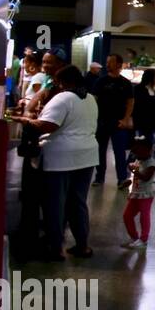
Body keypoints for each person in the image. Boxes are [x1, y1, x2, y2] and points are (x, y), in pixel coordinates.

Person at [15, 65, 99, 260]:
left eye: (58, 81)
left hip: (62, 157)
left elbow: (48, 125)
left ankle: (55, 248)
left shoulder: (63, 98)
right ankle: (83, 245)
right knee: (78, 202)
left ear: (64, 82)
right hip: (87, 155)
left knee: (55, 202)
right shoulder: (90, 98)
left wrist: (26, 121)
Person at [92, 54, 134, 187]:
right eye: (107, 62)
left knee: (120, 151)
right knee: (100, 151)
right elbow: (94, 100)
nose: (107, 64)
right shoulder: (100, 81)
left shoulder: (126, 83)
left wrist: (126, 119)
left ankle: (122, 179)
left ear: (119, 65)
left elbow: (130, 102)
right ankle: (99, 178)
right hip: (102, 122)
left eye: (110, 62)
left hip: (119, 123)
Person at [121, 136, 155, 250]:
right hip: (136, 193)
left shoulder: (151, 164)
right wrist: (129, 180)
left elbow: (146, 177)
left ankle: (143, 239)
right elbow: (136, 177)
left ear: (148, 150)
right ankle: (134, 237)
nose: (135, 153)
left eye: (138, 151)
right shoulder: (139, 160)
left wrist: (134, 171)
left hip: (145, 195)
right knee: (127, 215)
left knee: (144, 216)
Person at [132, 68, 155, 146]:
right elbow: (134, 106)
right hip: (142, 123)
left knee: (148, 144)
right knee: (145, 144)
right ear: (150, 76)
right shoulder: (138, 89)